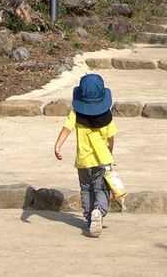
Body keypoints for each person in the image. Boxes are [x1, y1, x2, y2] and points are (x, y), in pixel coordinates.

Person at [53, 74, 117, 237]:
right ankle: (98, 211)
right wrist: (109, 153)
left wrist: (58, 145)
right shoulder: (107, 116)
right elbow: (111, 139)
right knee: (101, 189)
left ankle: (89, 219)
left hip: (83, 161)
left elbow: (66, 129)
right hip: (102, 161)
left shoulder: (76, 114)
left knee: (86, 189)